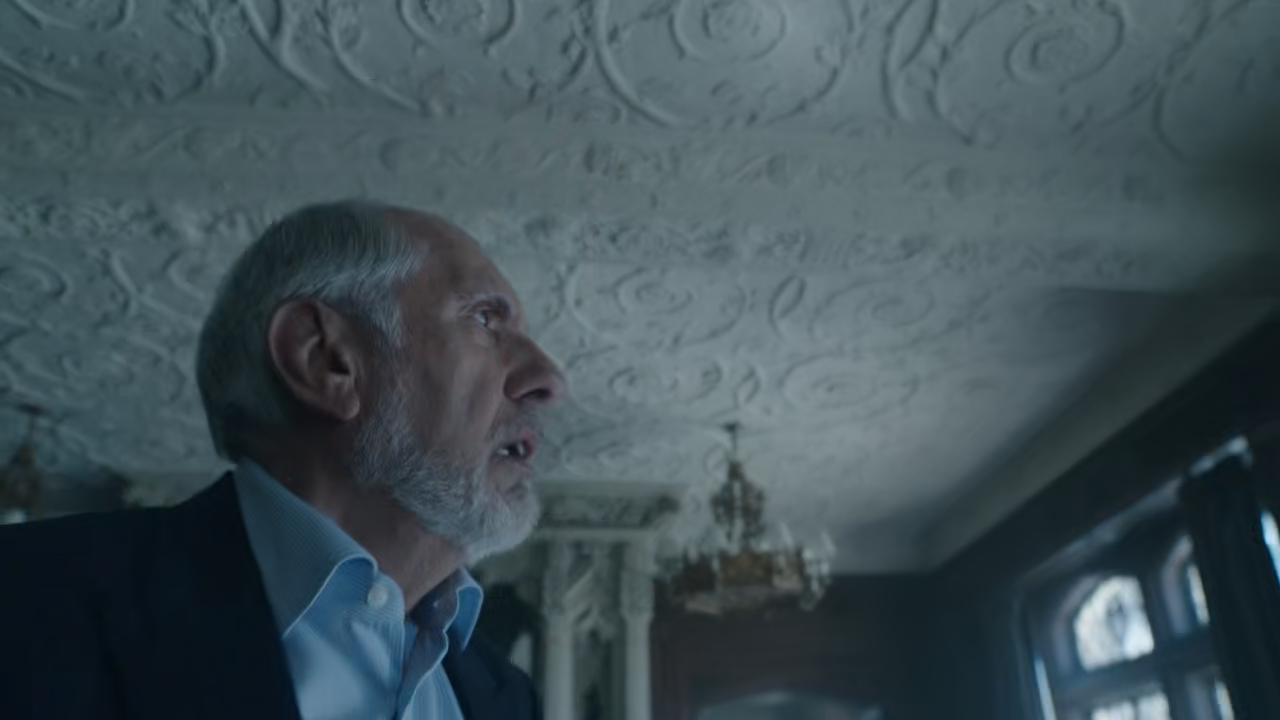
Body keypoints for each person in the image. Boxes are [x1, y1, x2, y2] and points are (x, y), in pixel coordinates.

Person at [0, 200, 567, 720]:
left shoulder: (509, 700)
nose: (549, 379)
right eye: (485, 320)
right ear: (324, 360)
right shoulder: (25, 600)